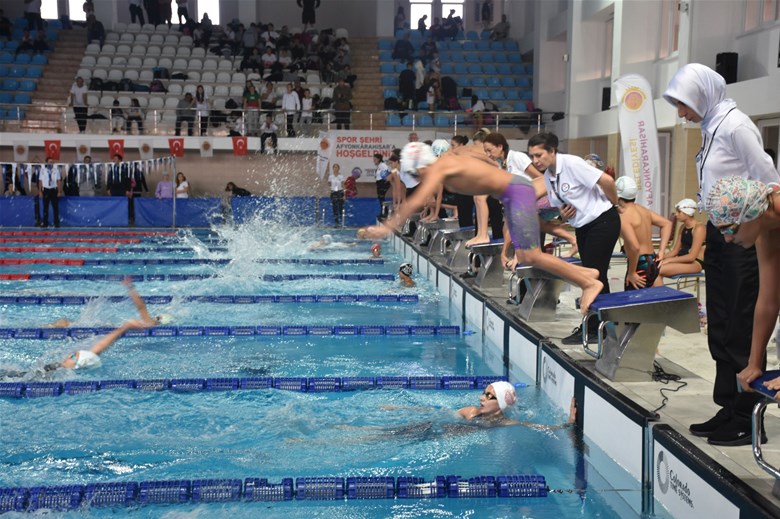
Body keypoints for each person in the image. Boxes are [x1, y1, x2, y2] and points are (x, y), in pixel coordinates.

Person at [663, 63, 780, 446]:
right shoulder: (711, 126)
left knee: (739, 324)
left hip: (746, 224)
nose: (681, 113)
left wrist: (748, 226)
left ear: (701, 94)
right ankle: (729, 404)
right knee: (722, 323)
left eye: (683, 104)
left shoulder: (735, 125)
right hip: (724, 226)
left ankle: (747, 412)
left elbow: (767, 180)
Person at [364, 142, 604, 313]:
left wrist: (386, 228)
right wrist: (487, 161)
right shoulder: (450, 158)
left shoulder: (441, 167)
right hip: (512, 194)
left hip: (517, 192)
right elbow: (475, 148)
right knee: (525, 255)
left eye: (417, 172)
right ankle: (586, 274)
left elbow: (416, 201)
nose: (419, 176)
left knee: (531, 255)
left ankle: (589, 282)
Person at [482, 132, 579, 266]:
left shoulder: (516, 157)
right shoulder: (500, 165)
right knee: (513, 224)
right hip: (528, 202)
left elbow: (539, 177)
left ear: (500, 147)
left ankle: (521, 255)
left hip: (545, 196)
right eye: (485, 151)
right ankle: (573, 241)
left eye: (489, 150)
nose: (488, 154)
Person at [615, 176, 673, 290]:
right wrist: (661, 251)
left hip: (640, 265)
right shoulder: (643, 210)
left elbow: (635, 248)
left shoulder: (624, 217)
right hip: (652, 260)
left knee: (634, 304)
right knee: (651, 303)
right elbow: (667, 224)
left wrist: (631, 272)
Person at [654, 198, 706, 285]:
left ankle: (663, 297)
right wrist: (660, 258)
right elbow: (675, 251)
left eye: (679, 212)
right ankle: (658, 296)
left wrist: (670, 260)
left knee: (656, 270)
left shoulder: (699, 228)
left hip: (695, 263)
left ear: (687, 213)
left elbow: (691, 257)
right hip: (681, 259)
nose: (676, 214)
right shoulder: (682, 227)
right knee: (651, 268)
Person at [38, 158, 62, 228]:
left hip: (54, 190)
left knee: (55, 207)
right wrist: (40, 191)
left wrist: (59, 191)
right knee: (45, 207)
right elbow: (40, 181)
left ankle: (56, 223)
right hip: (45, 190)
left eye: (52, 162)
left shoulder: (56, 170)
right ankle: (45, 223)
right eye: (49, 162)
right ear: (46, 163)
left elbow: (59, 181)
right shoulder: (43, 170)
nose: (51, 163)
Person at [373, 153, 391, 219]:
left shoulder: (383, 165)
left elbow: (387, 174)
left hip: (383, 183)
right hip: (379, 183)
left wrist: (385, 183)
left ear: (379, 159)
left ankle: (385, 212)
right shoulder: (379, 166)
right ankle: (384, 212)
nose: (374, 160)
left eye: (375, 159)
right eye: (373, 159)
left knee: (381, 198)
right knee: (380, 198)